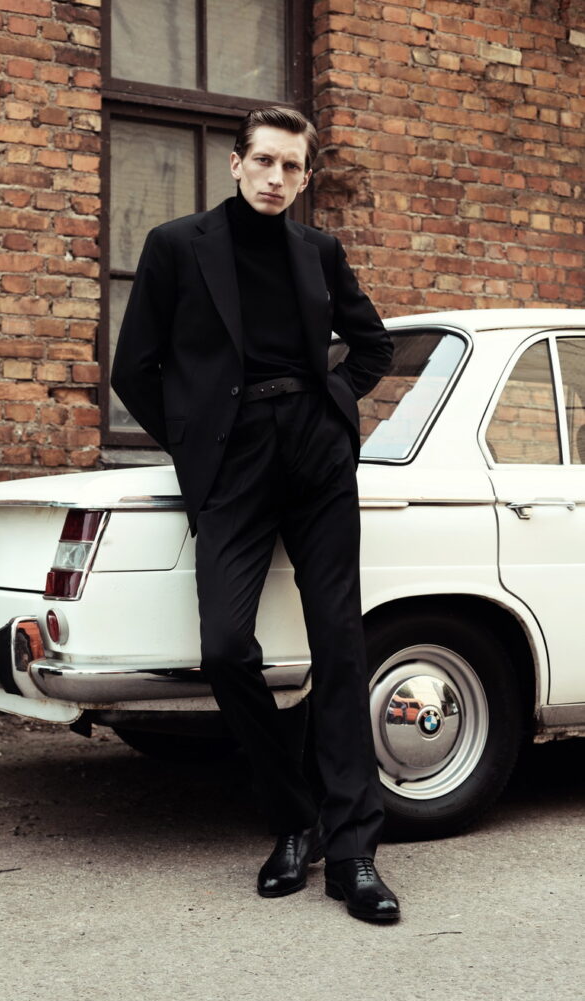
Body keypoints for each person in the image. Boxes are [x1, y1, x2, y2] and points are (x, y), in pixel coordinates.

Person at [112, 106, 400, 923]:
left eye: (292, 167)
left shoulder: (318, 251)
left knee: (339, 646)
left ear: (305, 178)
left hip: (315, 455)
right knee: (225, 649)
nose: (277, 178)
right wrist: (197, 442)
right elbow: (135, 368)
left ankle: (354, 853)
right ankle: (293, 817)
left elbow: (372, 345)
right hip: (231, 462)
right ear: (236, 163)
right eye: (264, 161)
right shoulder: (177, 245)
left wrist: (332, 406)